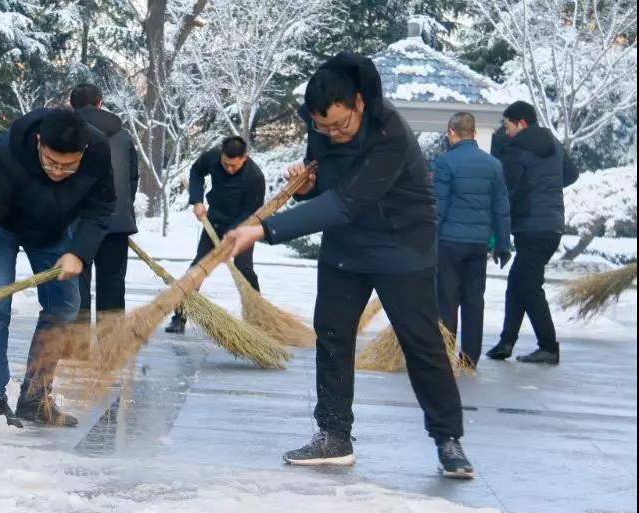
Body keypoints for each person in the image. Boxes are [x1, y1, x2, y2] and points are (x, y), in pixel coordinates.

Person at [226, 53, 473, 479]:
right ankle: (334, 435)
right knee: (333, 333)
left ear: (359, 102)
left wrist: (266, 229)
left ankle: (447, 438)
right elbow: (328, 186)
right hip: (347, 246)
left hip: (403, 245)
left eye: (340, 125)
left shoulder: (390, 131)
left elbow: (347, 202)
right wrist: (305, 183)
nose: (332, 134)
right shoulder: (321, 126)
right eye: (323, 127)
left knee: (421, 342)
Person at [0, 109, 114, 427]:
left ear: (84, 153)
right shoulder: (7, 154)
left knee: (65, 304)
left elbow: (102, 206)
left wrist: (79, 251)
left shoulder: (98, 150)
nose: (58, 172)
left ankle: (35, 397)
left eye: (68, 166)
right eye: (50, 162)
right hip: (0, 227)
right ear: (38, 143)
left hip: (51, 229)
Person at [486, 101, 579, 365]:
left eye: (508, 126)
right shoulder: (552, 143)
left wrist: (497, 226)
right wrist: (547, 184)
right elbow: (572, 174)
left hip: (530, 224)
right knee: (518, 283)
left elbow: (509, 190)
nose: (507, 132)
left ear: (521, 124)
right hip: (552, 225)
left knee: (528, 285)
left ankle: (548, 346)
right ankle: (506, 342)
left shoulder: (517, 149)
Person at [433, 112, 511, 368]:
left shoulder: (446, 163)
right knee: (473, 299)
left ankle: (444, 351)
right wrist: (502, 244)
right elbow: (501, 208)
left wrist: (427, 239)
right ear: (474, 134)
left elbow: (439, 206)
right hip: (478, 244)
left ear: (451, 132)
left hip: (449, 242)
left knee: (447, 299)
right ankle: (469, 359)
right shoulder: (494, 165)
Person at [165, 136, 265, 334]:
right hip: (214, 221)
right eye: (226, 164)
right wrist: (197, 200)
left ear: (244, 158)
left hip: (243, 227)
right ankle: (180, 316)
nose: (229, 169)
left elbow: (252, 213)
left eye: (234, 166)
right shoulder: (212, 157)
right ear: (221, 155)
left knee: (244, 269)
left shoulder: (255, 177)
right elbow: (196, 172)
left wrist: (233, 235)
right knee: (198, 268)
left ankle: (257, 319)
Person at [68, 83, 139, 341]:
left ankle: (78, 347)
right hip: (117, 221)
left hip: (78, 221)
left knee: (78, 283)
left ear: (71, 105)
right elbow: (132, 179)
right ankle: (110, 346)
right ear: (100, 102)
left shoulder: (67, 132)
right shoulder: (123, 137)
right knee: (112, 284)